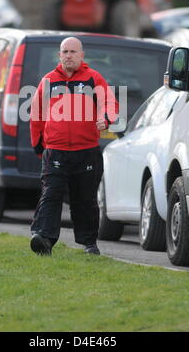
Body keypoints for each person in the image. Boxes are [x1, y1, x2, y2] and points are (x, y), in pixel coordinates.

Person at [29, 37, 119, 256]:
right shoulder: (48, 80)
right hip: (56, 151)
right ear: (59, 55)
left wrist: (105, 119)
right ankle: (44, 239)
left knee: (85, 199)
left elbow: (110, 103)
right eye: (64, 51)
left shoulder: (93, 78)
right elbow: (37, 114)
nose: (68, 55)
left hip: (86, 151)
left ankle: (89, 243)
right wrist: (38, 144)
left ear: (81, 55)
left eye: (72, 52)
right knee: (51, 193)